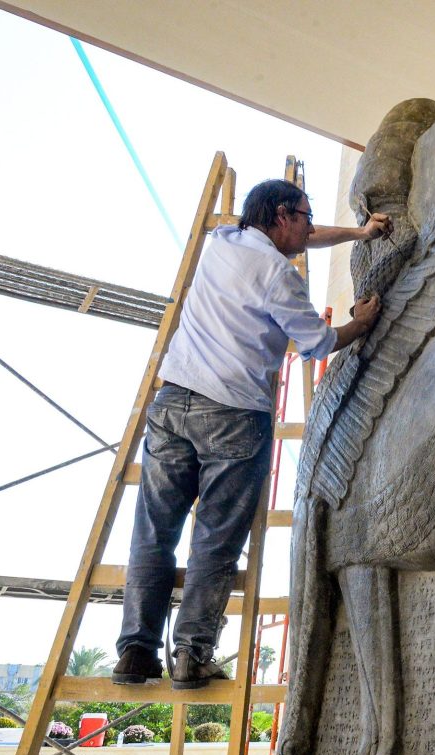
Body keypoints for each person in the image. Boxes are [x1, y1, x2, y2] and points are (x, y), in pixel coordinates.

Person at [112, 179, 387, 690]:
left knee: (153, 533)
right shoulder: (279, 276)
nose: (309, 228)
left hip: (173, 402)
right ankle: (192, 656)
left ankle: (135, 652)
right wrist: (362, 322)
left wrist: (358, 232)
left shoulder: (221, 243)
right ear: (282, 216)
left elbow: (305, 237)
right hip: (233, 415)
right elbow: (319, 343)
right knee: (215, 541)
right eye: (304, 218)